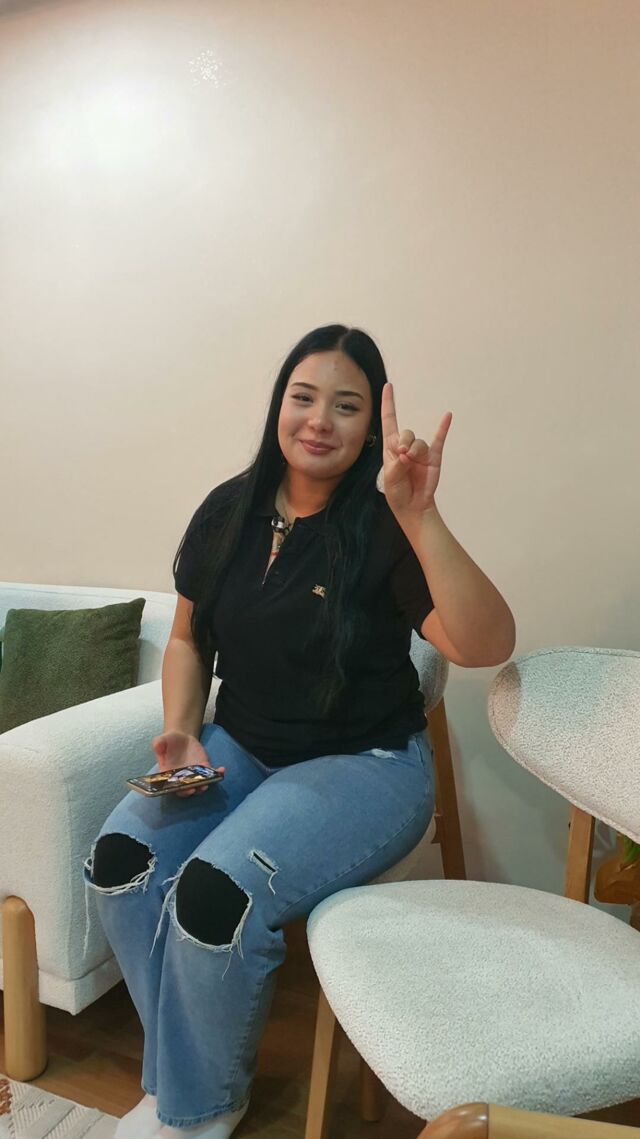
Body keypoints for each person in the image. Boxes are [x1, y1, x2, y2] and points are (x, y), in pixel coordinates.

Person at [84, 324, 515, 1139]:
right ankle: (184, 1079)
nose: (320, 420)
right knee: (120, 863)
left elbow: (485, 643)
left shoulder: (385, 523)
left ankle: (200, 1109)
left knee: (214, 893)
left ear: (372, 426)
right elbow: (188, 639)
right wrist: (182, 730)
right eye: (304, 397)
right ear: (279, 404)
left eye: (346, 406)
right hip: (241, 748)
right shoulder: (229, 510)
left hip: (366, 765)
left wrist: (421, 514)